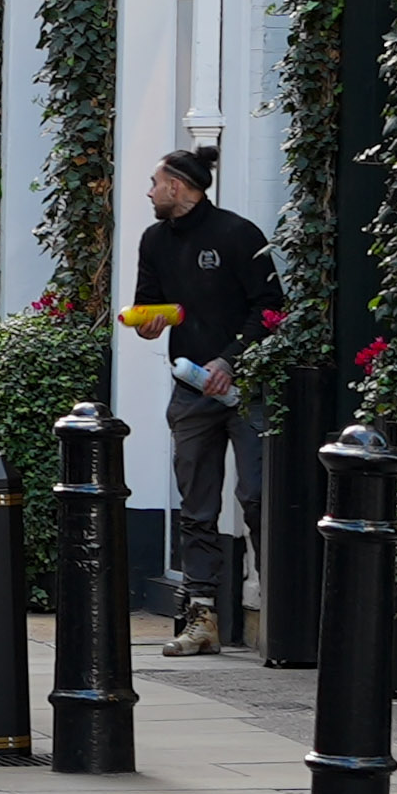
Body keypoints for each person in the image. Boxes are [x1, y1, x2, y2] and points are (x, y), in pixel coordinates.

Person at [129, 144, 283, 656]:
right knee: (196, 504)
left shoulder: (238, 235)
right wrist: (150, 326)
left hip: (247, 387)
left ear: (178, 185)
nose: (149, 192)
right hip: (190, 388)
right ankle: (201, 620)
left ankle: (280, 613)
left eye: (155, 183)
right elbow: (151, 308)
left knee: (258, 496)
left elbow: (269, 310)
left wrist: (230, 359)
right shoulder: (154, 241)